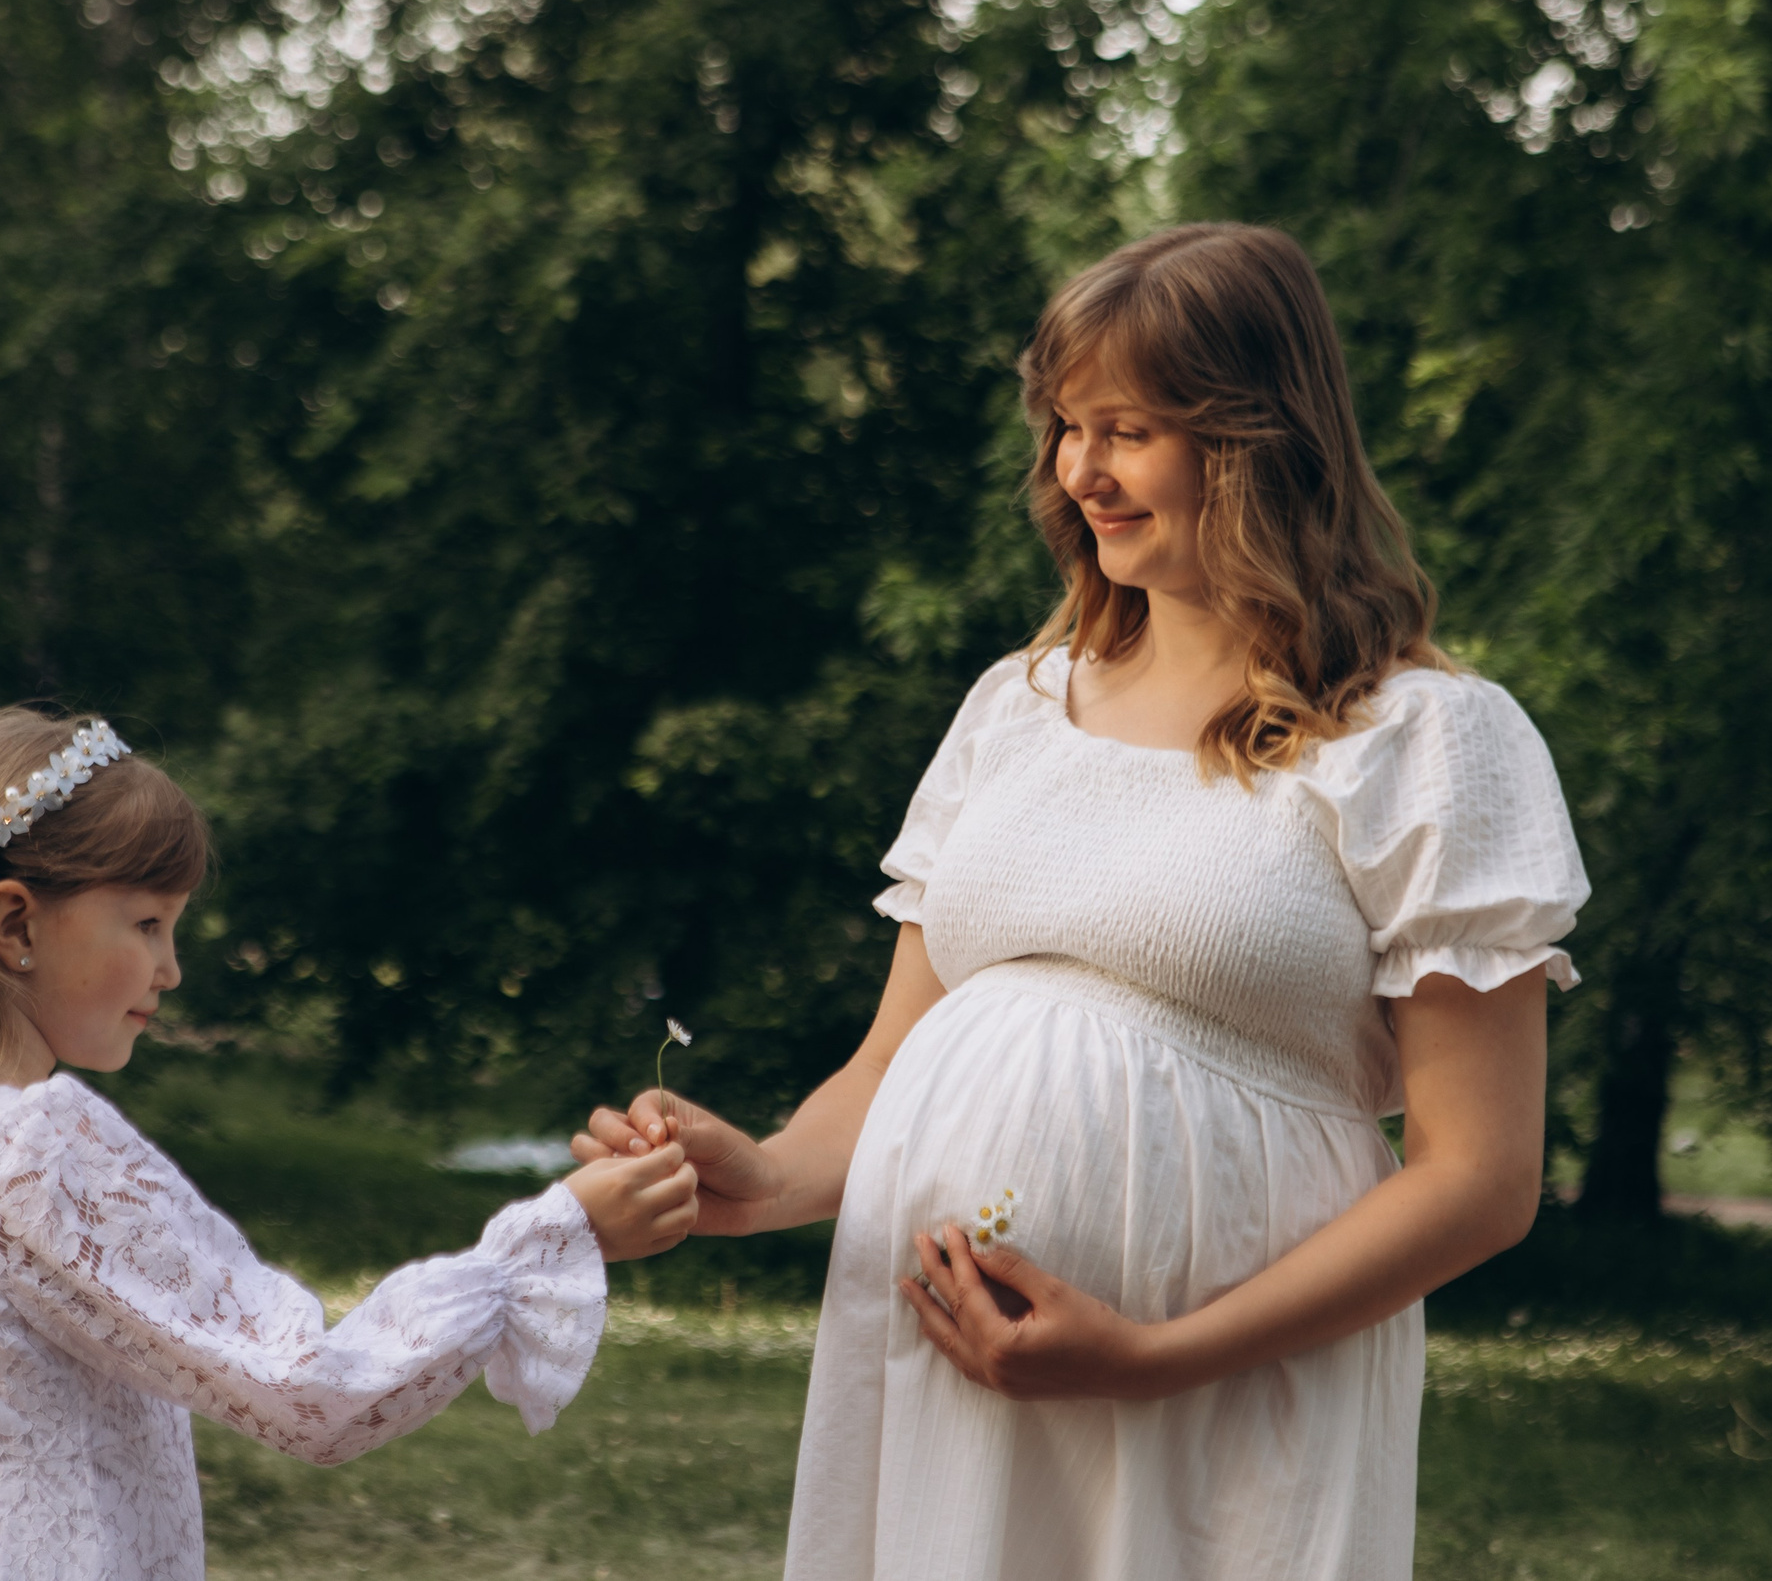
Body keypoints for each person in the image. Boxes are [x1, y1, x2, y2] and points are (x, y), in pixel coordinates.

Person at [576, 224, 1591, 1579]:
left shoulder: (1426, 737)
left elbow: (1479, 1177)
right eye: (1065, 425)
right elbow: (893, 1059)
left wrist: (1151, 1356)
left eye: (1127, 429)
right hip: (945, 1357)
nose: (1079, 471)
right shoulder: (1018, 705)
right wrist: (757, 1175)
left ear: (1258, 439)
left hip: (1222, 1389)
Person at [0, 707, 696, 1581]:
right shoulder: (33, 1145)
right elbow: (316, 1391)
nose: (170, 968)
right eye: (146, 923)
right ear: (16, 923)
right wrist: (555, 1237)